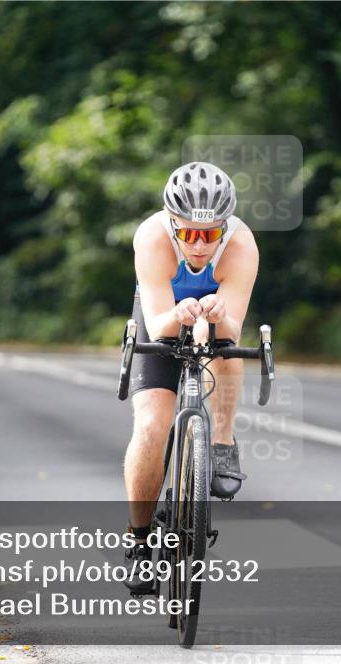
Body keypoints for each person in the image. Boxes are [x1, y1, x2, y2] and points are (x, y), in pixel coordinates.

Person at [123, 162, 259, 592]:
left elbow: (233, 328)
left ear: (224, 228)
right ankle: (139, 542)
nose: (200, 245)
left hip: (216, 317)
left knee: (224, 345)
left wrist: (217, 317)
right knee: (151, 425)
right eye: (189, 234)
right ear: (173, 223)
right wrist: (180, 316)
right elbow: (158, 320)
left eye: (210, 234)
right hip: (161, 315)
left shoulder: (240, 244)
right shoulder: (151, 237)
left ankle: (221, 443)